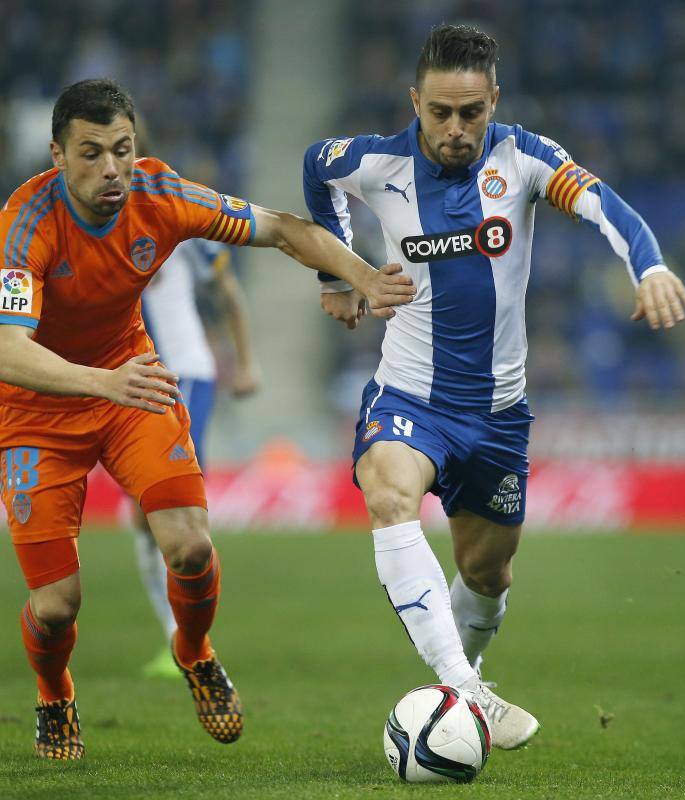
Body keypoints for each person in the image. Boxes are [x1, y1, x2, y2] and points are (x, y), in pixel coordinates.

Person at [303, 24, 685, 750]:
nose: (456, 130)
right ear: (415, 101)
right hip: (409, 397)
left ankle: (462, 686)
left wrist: (649, 266)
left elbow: (606, 204)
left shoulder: (525, 158)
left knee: (487, 571)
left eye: (472, 113)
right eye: (440, 112)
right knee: (388, 493)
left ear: (495, 101)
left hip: (498, 417)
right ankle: (465, 687)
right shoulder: (371, 160)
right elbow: (314, 169)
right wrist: (338, 272)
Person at [0, 78, 415, 760]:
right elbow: (9, 351)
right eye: (91, 153)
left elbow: (282, 227)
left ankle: (193, 652)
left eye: (123, 150)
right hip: (37, 411)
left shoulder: (161, 195)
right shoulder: (24, 225)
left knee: (191, 545)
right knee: (56, 607)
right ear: (57, 155)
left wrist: (358, 276)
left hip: (129, 386)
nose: (111, 169)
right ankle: (54, 695)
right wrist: (104, 381)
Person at [136, 239, 260, 678]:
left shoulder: (180, 230)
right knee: (142, 513)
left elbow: (228, 287)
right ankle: (175, 635)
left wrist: (245, 362)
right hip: (127, 378)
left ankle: (188, 639)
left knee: (174, 507)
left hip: (182, 375)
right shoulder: (89, 229)